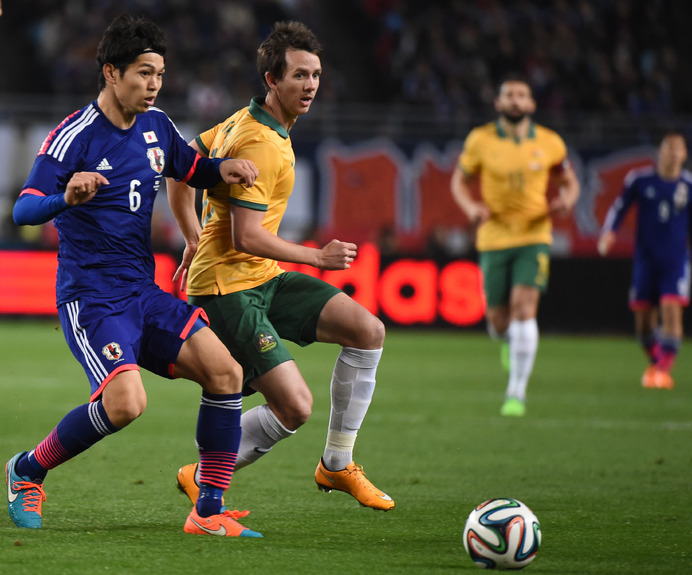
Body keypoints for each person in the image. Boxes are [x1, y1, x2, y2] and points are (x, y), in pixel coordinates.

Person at [6, 14, 263, 538]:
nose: (153, 85)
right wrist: (65, 197)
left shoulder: (158, 126)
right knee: (127, 404)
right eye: (143, 73)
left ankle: (208, 511)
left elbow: (190, 169)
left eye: (160, 75)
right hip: (92, 298)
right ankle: (26, 471)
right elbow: (24, 211)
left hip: (142, 292)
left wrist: (223, 170)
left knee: (227, 374)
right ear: (110, 73)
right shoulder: (73, 136)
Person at [167, 20, 394, 511]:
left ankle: (336, 464)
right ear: (272, 80)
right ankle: (203, 475)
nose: (309, 85)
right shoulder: (259, 143)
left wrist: (190, 235)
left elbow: (180, 166)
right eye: (298, 76)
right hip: (227, 288)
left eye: (314, 75)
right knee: (294, 406)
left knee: (367, 330)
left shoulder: (245, 123)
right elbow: (245, 236)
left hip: (260, 277)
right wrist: (318, 256)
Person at [450, 75, 580, 417]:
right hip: (493, 237)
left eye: (522, 95)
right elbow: (459, 181)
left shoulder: (550, 142)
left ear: (532, 104)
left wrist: (567, 200)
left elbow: (570, 182)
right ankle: (508, 341)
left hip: (534, 236)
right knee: (498, 322)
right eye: (509, 95)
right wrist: (471, 208)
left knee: (525, 308)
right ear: (498, 104)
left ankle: (516, 393)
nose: (516, 101)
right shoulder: (480, 140)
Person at [598, 132, 691, 389]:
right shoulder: (640, 180)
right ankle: (656, 363)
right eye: (669, 148)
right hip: (645, 260)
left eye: (679, 149)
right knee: (643, 323)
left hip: (676, 260)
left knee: (672, 312)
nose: (673, 154)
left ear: (684, 155)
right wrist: (609, 233)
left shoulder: (689, 186)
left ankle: (661, 371)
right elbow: (619, 207)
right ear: (660, 152)